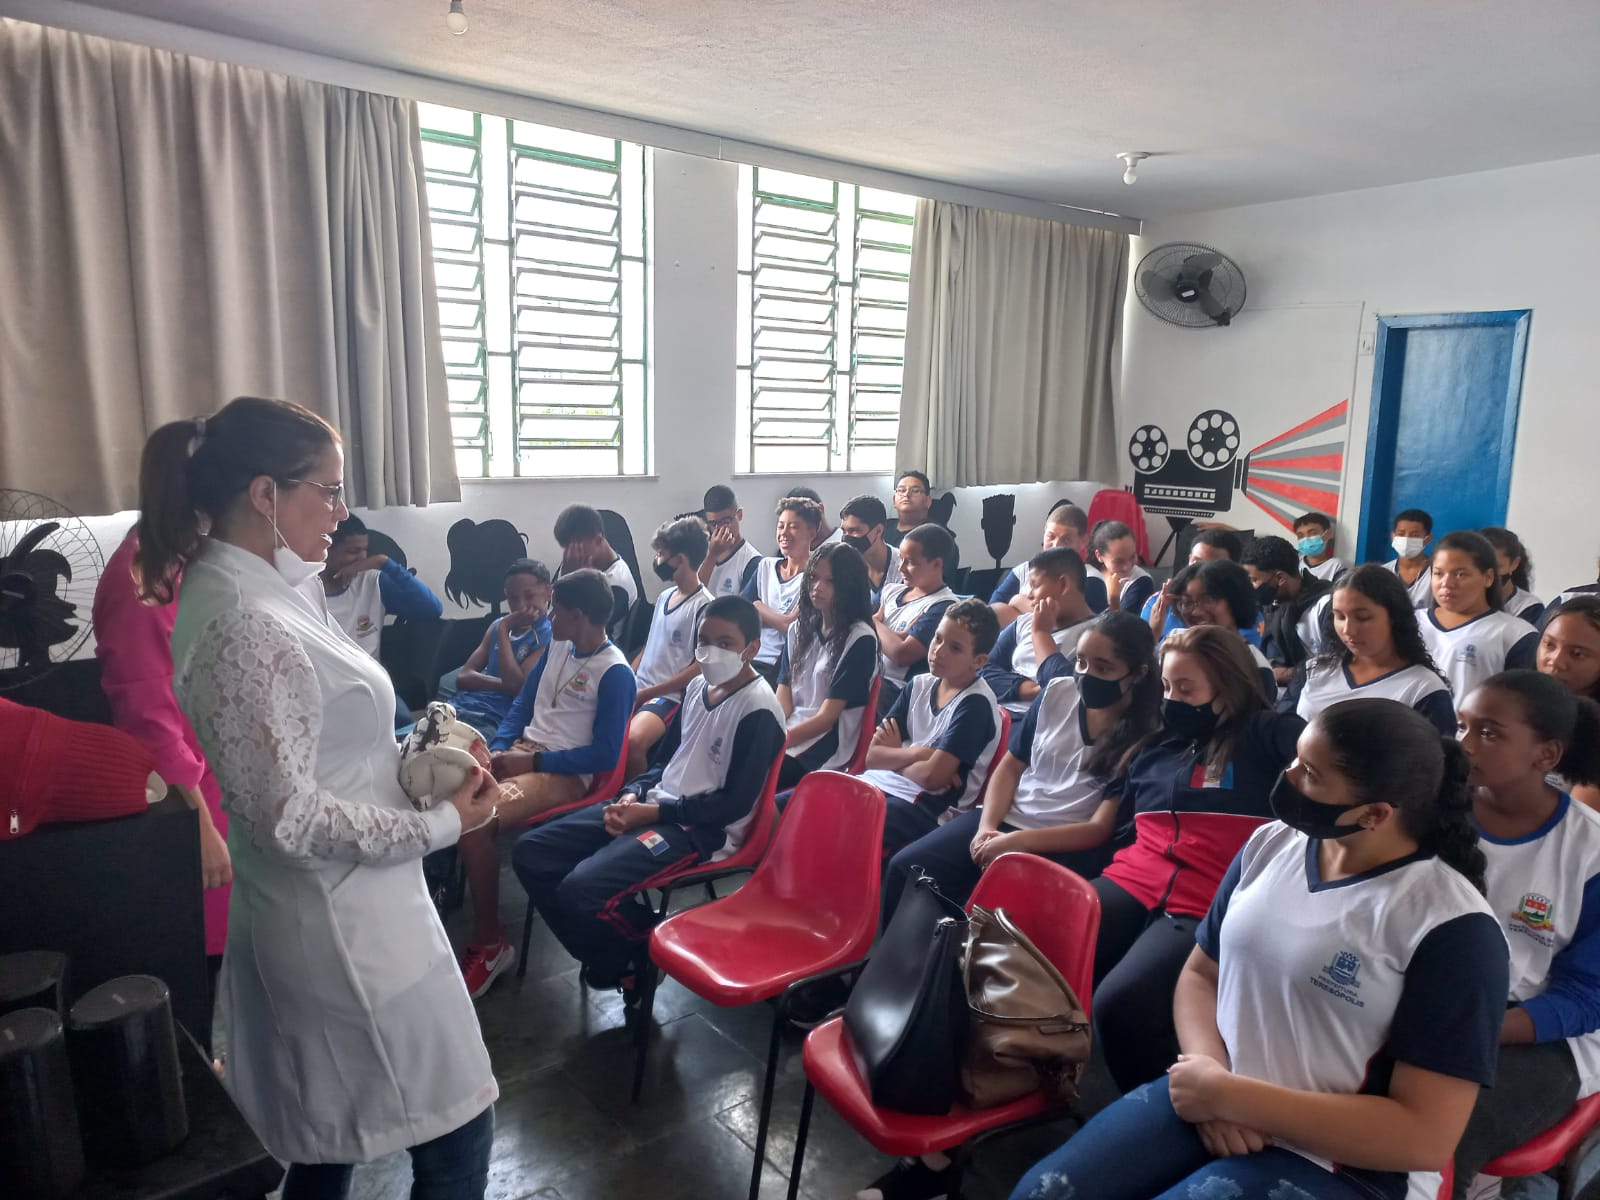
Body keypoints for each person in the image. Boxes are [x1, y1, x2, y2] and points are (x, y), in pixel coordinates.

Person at [141, 397, 498, 1197]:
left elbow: (328, 738)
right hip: (341, 927)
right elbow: (287, 818)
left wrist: (421, 753)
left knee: (327, 1140)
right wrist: (446, 821)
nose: (341, 512)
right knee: (456, 1130)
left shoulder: (275, 585)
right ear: (267, 494)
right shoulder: (242, 619)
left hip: (360, 902)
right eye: (328, 491)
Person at [1009, 700, 1507, 1200]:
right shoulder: (1269, 844)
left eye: (1309, 773)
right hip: (1218, 1091)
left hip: (1346, 1161)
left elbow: (1423, 1137)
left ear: (1374, 814)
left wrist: (1235, 1099)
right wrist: (1210, 1075)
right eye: (1294, 760)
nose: (1287, 776)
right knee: (1041, 1192)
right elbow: (1201, 974)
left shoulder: (1451, 928)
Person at [513, 596, 787, 1002]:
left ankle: (640, 950)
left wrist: (653, 812)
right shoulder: (697, 686)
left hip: (700, 831)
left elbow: (733, 806)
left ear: (752, 648)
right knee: (531, 851)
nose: (711, 651)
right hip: (656, 804)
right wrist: (631, 792)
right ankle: (624, 954)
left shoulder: (758, 709)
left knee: (580, 889)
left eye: (725, 643)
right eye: (704, 640)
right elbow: (666, 762)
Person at [1091, 624, 1303, 1093]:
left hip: (1204, 899)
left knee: (1121, 1003)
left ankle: (1158, 1110)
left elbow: (1327, 770)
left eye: (1186, 688)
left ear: (1227, 687)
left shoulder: (1266, 734)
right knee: (1029, 941)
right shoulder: (1155, 749)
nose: (1173, 699)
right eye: (1167, 687)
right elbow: (1119, 831)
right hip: (1132, 879)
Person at [883, 611, 1160, 922]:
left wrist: (1016, 842)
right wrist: (988, 827)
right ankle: (901, 965)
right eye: (1080, 661)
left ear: (1137, 673)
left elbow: (1098, 829)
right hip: (1005, 819)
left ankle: (944, 966)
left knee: (982, 914)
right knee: (907, 868)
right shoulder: (1057, 692)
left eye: (1103, 668)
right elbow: (1011, 766)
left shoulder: (1143, 734)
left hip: (1060, 842)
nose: (1084, 673)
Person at [1452, 671, 1600, 1198]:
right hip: (1440, 1006)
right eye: (1461, 725)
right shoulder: (1435, 815)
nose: (1463, 745)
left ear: (1546, 756)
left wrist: (1471, 1028)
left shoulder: (1589, 852)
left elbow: (1586, 998)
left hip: (1545, 1038)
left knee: (1442, 1134)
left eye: (1488, 733)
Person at [462, 569, 635, 997]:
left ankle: (490, 941)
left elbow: (606, 756)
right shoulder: (558, 646)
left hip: (563, 774)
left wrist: (531, 761)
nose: (548, 617)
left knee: (475, 818)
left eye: (556, 610)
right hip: (524, 752)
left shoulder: (615, 672)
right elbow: (522, 704)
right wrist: (498, 750)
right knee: (449, 787)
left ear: (577, 615)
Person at [92, 528, 232, 973]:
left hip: (233, 788)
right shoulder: (145, 572)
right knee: (213, 970)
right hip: (199, 801)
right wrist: (199, 826)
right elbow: (147, 716)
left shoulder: (201, 556)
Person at [859, 599, 1003, 855]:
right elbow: (872, 757)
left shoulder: (975, 704)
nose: (938, 651)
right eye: (937, 638)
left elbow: (931, 778)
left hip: (928, 808)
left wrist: (897, 758)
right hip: (881, 783)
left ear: (979, 661)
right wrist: (921, 754)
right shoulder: (918, 684)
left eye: (955, 648)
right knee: (815, 798)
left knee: (847, 818)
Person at [1298, 564, 1457, 736]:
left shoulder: (1423, 689)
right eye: (1340, 617)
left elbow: (1438, 759)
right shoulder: (1316, 669)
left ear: (1394, 617)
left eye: (1363, 617)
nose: (1348, 630)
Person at [775, 542, 879, 788]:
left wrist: (778, 741)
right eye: (813, 578)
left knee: (757, 771)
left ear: (848, 587)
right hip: (790, 733)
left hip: (825, 745)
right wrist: (770, 731)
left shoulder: (860, 639)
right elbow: (784, 694)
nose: (817, 588)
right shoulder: (798, 629)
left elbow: (827, 718)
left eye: (830, 582)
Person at [625, 517, 714, 779]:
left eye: (661, 554)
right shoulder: (664, 597)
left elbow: (698, 668)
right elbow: (650, 645)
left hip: (668, 697)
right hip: (641, 688)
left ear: (680, 559)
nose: (658, 560)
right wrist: (628, 676)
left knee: (633, 742)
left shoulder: (705, 606)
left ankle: (634, 796)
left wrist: (648, 692)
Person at [441, 558, 553, 740]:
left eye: (530, 596)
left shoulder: (549, 636)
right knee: (405, 745)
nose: (521, 606)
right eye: (513, 598)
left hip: (495, 719)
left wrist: (503, 630)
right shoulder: (497, 625)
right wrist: (502, 684)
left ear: (548, 592)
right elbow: (463, 678)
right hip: (460, 707)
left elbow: (516, 688)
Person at [1421, 529, 1538, 699]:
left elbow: (1517, 703)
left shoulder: (1516, 634)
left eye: (1460, 574)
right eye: (1438, 573)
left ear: (1489, 577)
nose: (1446, 583)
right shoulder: (1411, 621)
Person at [979, 548, 1098, 715]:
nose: (1028, 595)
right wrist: (1027, 689)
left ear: (1063, 585)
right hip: (994, 713)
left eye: (1034, 585)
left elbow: (1064, 691)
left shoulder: (1096, 635)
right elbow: (981, 668)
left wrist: (1040, 633)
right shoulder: (1025, 621)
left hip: (1035, 724)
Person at [1150, 559, 1278, 699]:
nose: (1196, 611)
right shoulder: (1172, 649)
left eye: (1207, 600)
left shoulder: (1255, 668)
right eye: (1186, 603)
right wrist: (1152, 636)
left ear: (1236, 601)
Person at [320, 515, 444, 659]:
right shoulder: (305, 590)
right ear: (327, 550)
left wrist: (384, 562)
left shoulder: (373, 581)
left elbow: (432, 609)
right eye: (353, 551)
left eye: (365, 550)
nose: (362, 558)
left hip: (369, 678)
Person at [874, 523, 959, 715]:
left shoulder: (944, 606)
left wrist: (875, 623)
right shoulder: (891, 590)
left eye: (910, 562)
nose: (901, 568)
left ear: (937, 564)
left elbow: (901, 654)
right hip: (868, 673)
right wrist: (893, 635)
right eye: (901, 559)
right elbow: (856, 624)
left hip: (894, 689)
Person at [742, 496, 820, 684]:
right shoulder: (765, 567)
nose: (784, 533)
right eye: (780, 526)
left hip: (779, 668)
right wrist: (782, 618)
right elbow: (742, 615)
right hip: (747, 656)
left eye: (793, 526)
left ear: (812, 532)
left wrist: (759, 607)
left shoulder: (816, 577)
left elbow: (793, 627)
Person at [1242, 533, 1332, 692]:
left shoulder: (1325, 607)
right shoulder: (1269, 606)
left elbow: (1337, 664)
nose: (1250, 587)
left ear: (1280, 578)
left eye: (1254, 580)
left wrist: (1290, 673)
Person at [1536, 596, 1600, 809]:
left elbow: (1580, 824)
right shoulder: (1520, 705)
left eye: (1577, 654)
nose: (1556, 661)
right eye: (1549, 645)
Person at [989, 501, 1088, 626]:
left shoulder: (1086, 577)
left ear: (1084, 541)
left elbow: (1070, 621)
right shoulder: (1023, 570)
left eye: (1066, 539)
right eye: (1051, 537)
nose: (1056, 545)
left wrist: (1019, 601)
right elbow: (990, 612)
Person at [1138, 527, 1244, 642]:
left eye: (1213, 565)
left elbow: (1240, 655)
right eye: (1196, 562)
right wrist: (1153, 633)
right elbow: (1137, 655)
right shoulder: (1159, 602)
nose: (1202, 570)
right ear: (1189, 560)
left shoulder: (1243, 611)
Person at [553, 503, 638, 640]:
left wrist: (575, 581)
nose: (571, 553)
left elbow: (577, 629)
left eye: (575, 547)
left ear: (598, 540)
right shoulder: (574, 563)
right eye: (566, 548)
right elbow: (549, 613)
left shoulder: (617, 583)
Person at [698, 484, 764, 599]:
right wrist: (712, 556)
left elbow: (742, 611)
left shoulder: (753, 562)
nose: (721, 529)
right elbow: (690, 597)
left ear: (739, 515)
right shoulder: (702, 551)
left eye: (726, 521)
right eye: (714, 524)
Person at [837, 494, 901, 605]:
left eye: (854, 530)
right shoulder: (845, 566)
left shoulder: (903, 566)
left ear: (878, 530)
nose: (847, 537)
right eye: (844, 531)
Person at [1085, 519, 1154, 615]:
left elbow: (1121, 628)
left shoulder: (1141, 583)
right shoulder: (1090, 576)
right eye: (1119, 561)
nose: (1127, 566)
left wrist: (1114, 601)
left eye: (1132, 557)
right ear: (1099, 556)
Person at [1481, 525, 1545, 624]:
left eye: (1496, 567)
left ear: (1514, 564)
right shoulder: (1462, 599)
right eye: (1480, 565)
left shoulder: (1530, 608)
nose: (1488, 574)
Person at [1386, 507, 1435, 608]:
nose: (1407, 539)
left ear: (1427, 539)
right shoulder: (1383, 573)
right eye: (1401, 534)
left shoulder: (1437, 573)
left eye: (1415, 535)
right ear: (1393, 536)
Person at [1293, 509, 1350, 581]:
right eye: (1301, 536)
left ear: (1328, 534)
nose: (1306, 539)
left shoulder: (1337, 566)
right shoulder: (1294, 562)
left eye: (1313, 533)